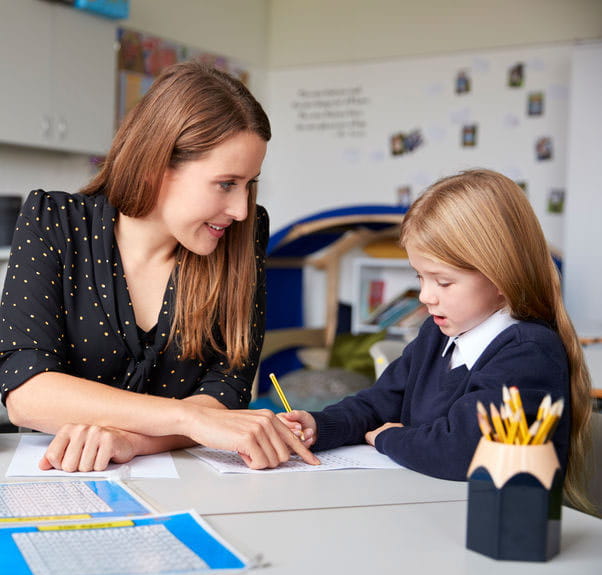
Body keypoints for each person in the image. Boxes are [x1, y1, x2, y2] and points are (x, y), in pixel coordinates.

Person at [0, 60, 318, 472]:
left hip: (190, 478)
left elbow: (227, 388)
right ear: (157, 167)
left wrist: (131, 441)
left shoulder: (245, 234)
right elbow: (28, 392)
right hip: (61, 476)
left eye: (250, 184)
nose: (241, 209)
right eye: (226, 183)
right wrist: (188, 417)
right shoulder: (53, 222)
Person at [281, 169, 592, 512]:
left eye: (443, 282)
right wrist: (319, 426)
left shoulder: (526, 351)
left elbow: (462, 449)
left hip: (490, 525)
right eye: (420, 277)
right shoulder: (437, 333)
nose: (426, 296)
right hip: (426, 509)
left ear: (503, 276)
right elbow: (378, 403)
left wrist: (386, 438)